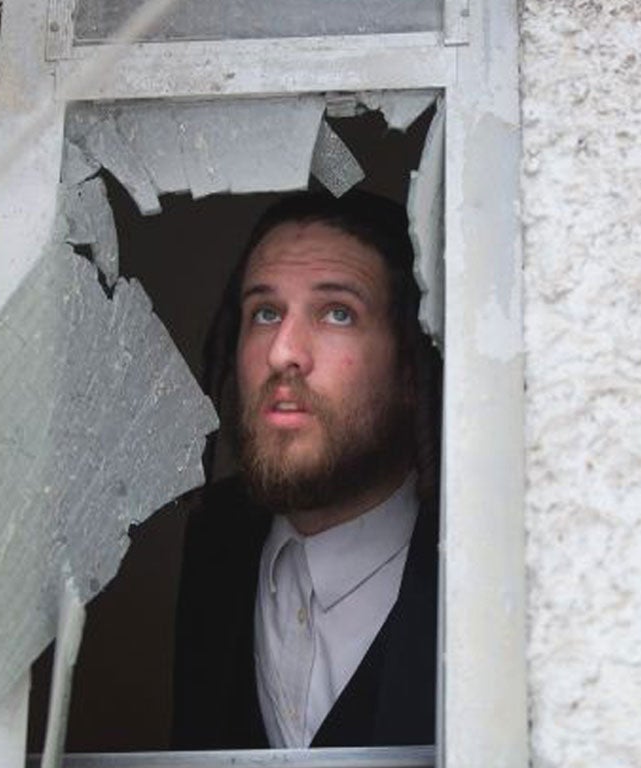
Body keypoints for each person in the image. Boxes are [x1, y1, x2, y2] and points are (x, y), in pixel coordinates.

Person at [171, 191, 440, 749]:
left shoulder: (469, 559)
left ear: (411, 365)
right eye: (265, 313)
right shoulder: (217, 541)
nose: (282, 352)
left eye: (337, 312)